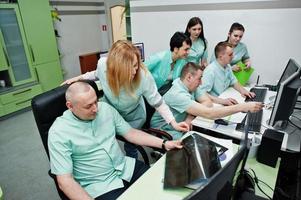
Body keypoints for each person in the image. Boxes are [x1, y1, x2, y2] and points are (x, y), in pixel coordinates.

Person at [48, 82, 182, 200]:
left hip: (125, 167)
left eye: (95, 101)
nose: (95, 108)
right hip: (99, 185)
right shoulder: (59, 132)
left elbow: (130, 133)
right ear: (70, 106)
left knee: (166, 188)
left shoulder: (105, 109)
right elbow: (65, 181)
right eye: (88, 106)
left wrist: (164, 144)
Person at [62, 40, 188, 159]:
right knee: (106, 139)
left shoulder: (143, 76)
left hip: (133, 115)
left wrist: (173, 123)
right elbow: (95, 73)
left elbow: (157, 102)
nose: (135, 70)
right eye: (131, 67)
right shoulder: (104, 65)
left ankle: (131, 161)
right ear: (117, 68)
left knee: (131, 143)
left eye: (136, 65)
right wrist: (79, 78)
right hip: (111, 109)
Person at [151, 62, 263, 139]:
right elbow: (209, 113)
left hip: (183, 123)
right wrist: (242, 107)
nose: (201, 83)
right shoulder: (177, 94)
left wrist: (190, 116)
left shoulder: (191, 85)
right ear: (189, 77)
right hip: (165, 130)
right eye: (199, 79)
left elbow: (208, 102)